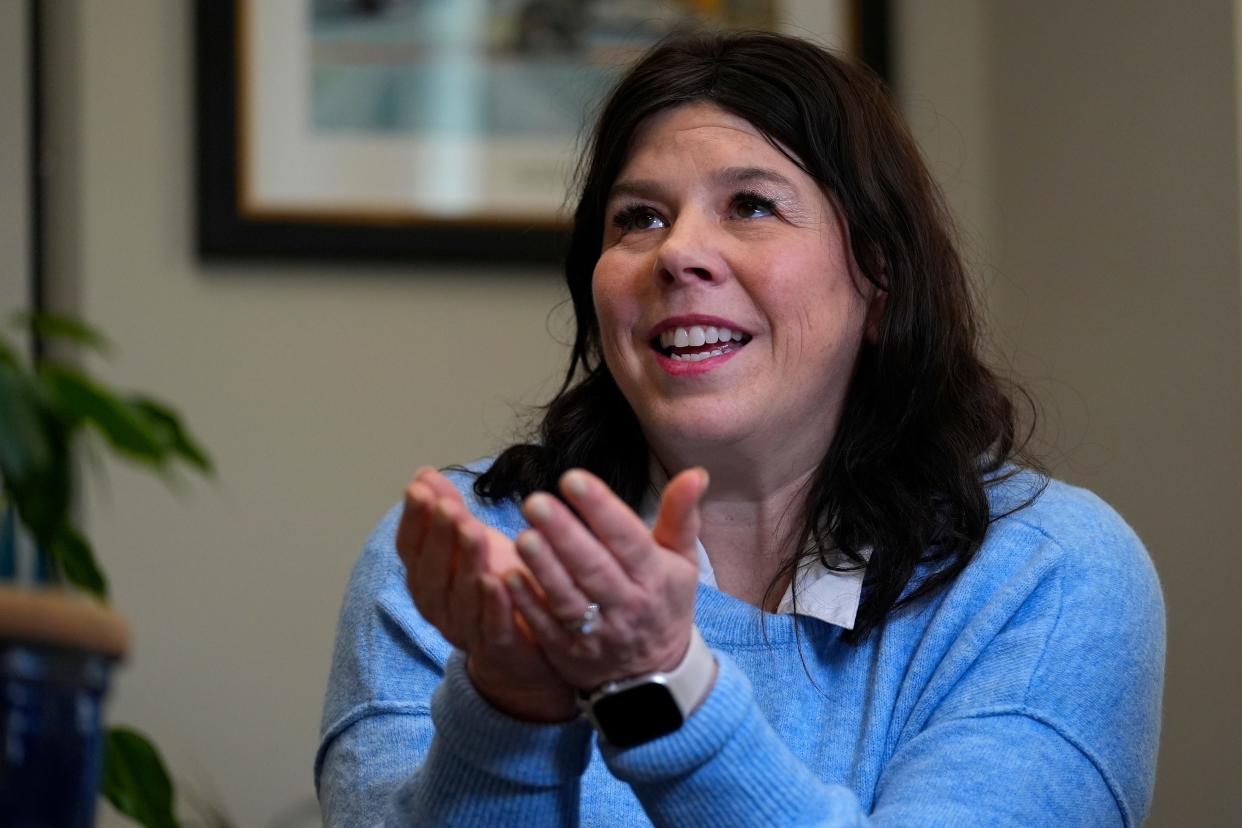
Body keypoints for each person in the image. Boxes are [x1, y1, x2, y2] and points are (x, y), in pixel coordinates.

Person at [316, 31, 1164, 827]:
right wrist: (504, 705)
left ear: (878, 276)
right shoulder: (462, 555)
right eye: (638, 217)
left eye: (751, 205)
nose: (677, 253)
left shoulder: (1046, 572)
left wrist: (664, 688)